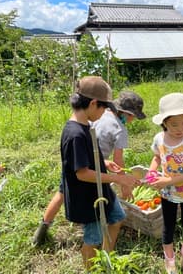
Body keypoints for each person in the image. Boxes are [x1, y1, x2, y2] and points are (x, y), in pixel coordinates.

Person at [46, 76, 140, 269]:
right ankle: (92, 268)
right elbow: (82, 173)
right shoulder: (75, 134)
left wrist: (105, 162)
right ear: (93, 103)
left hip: (100, 189)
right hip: (87, 195)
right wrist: (118, 178)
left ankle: (106, 259)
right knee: (93, 237)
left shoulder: (86, 126)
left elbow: (85, 158)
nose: (106, 111)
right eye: (104, 107)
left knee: (117, 218)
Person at [32, 90, 146, 246]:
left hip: (76, 160)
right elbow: (118, 160)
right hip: (90, 169)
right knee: (93, 208)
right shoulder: (120, 130)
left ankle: (42, 228)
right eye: (134, 116)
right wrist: (123, 182)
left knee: (61, 193)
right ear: (127, 114)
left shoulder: (98, 115)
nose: (133, 120)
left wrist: (105, 163)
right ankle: (95, 238)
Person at [148, 93, 183, 274]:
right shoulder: (159, 139)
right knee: (168, 225)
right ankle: (169, 259)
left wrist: (167, 180)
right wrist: (152, 171)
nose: (180, 129)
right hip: (168, 192)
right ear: (164, 123)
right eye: (174, 125)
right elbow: (157, 156)